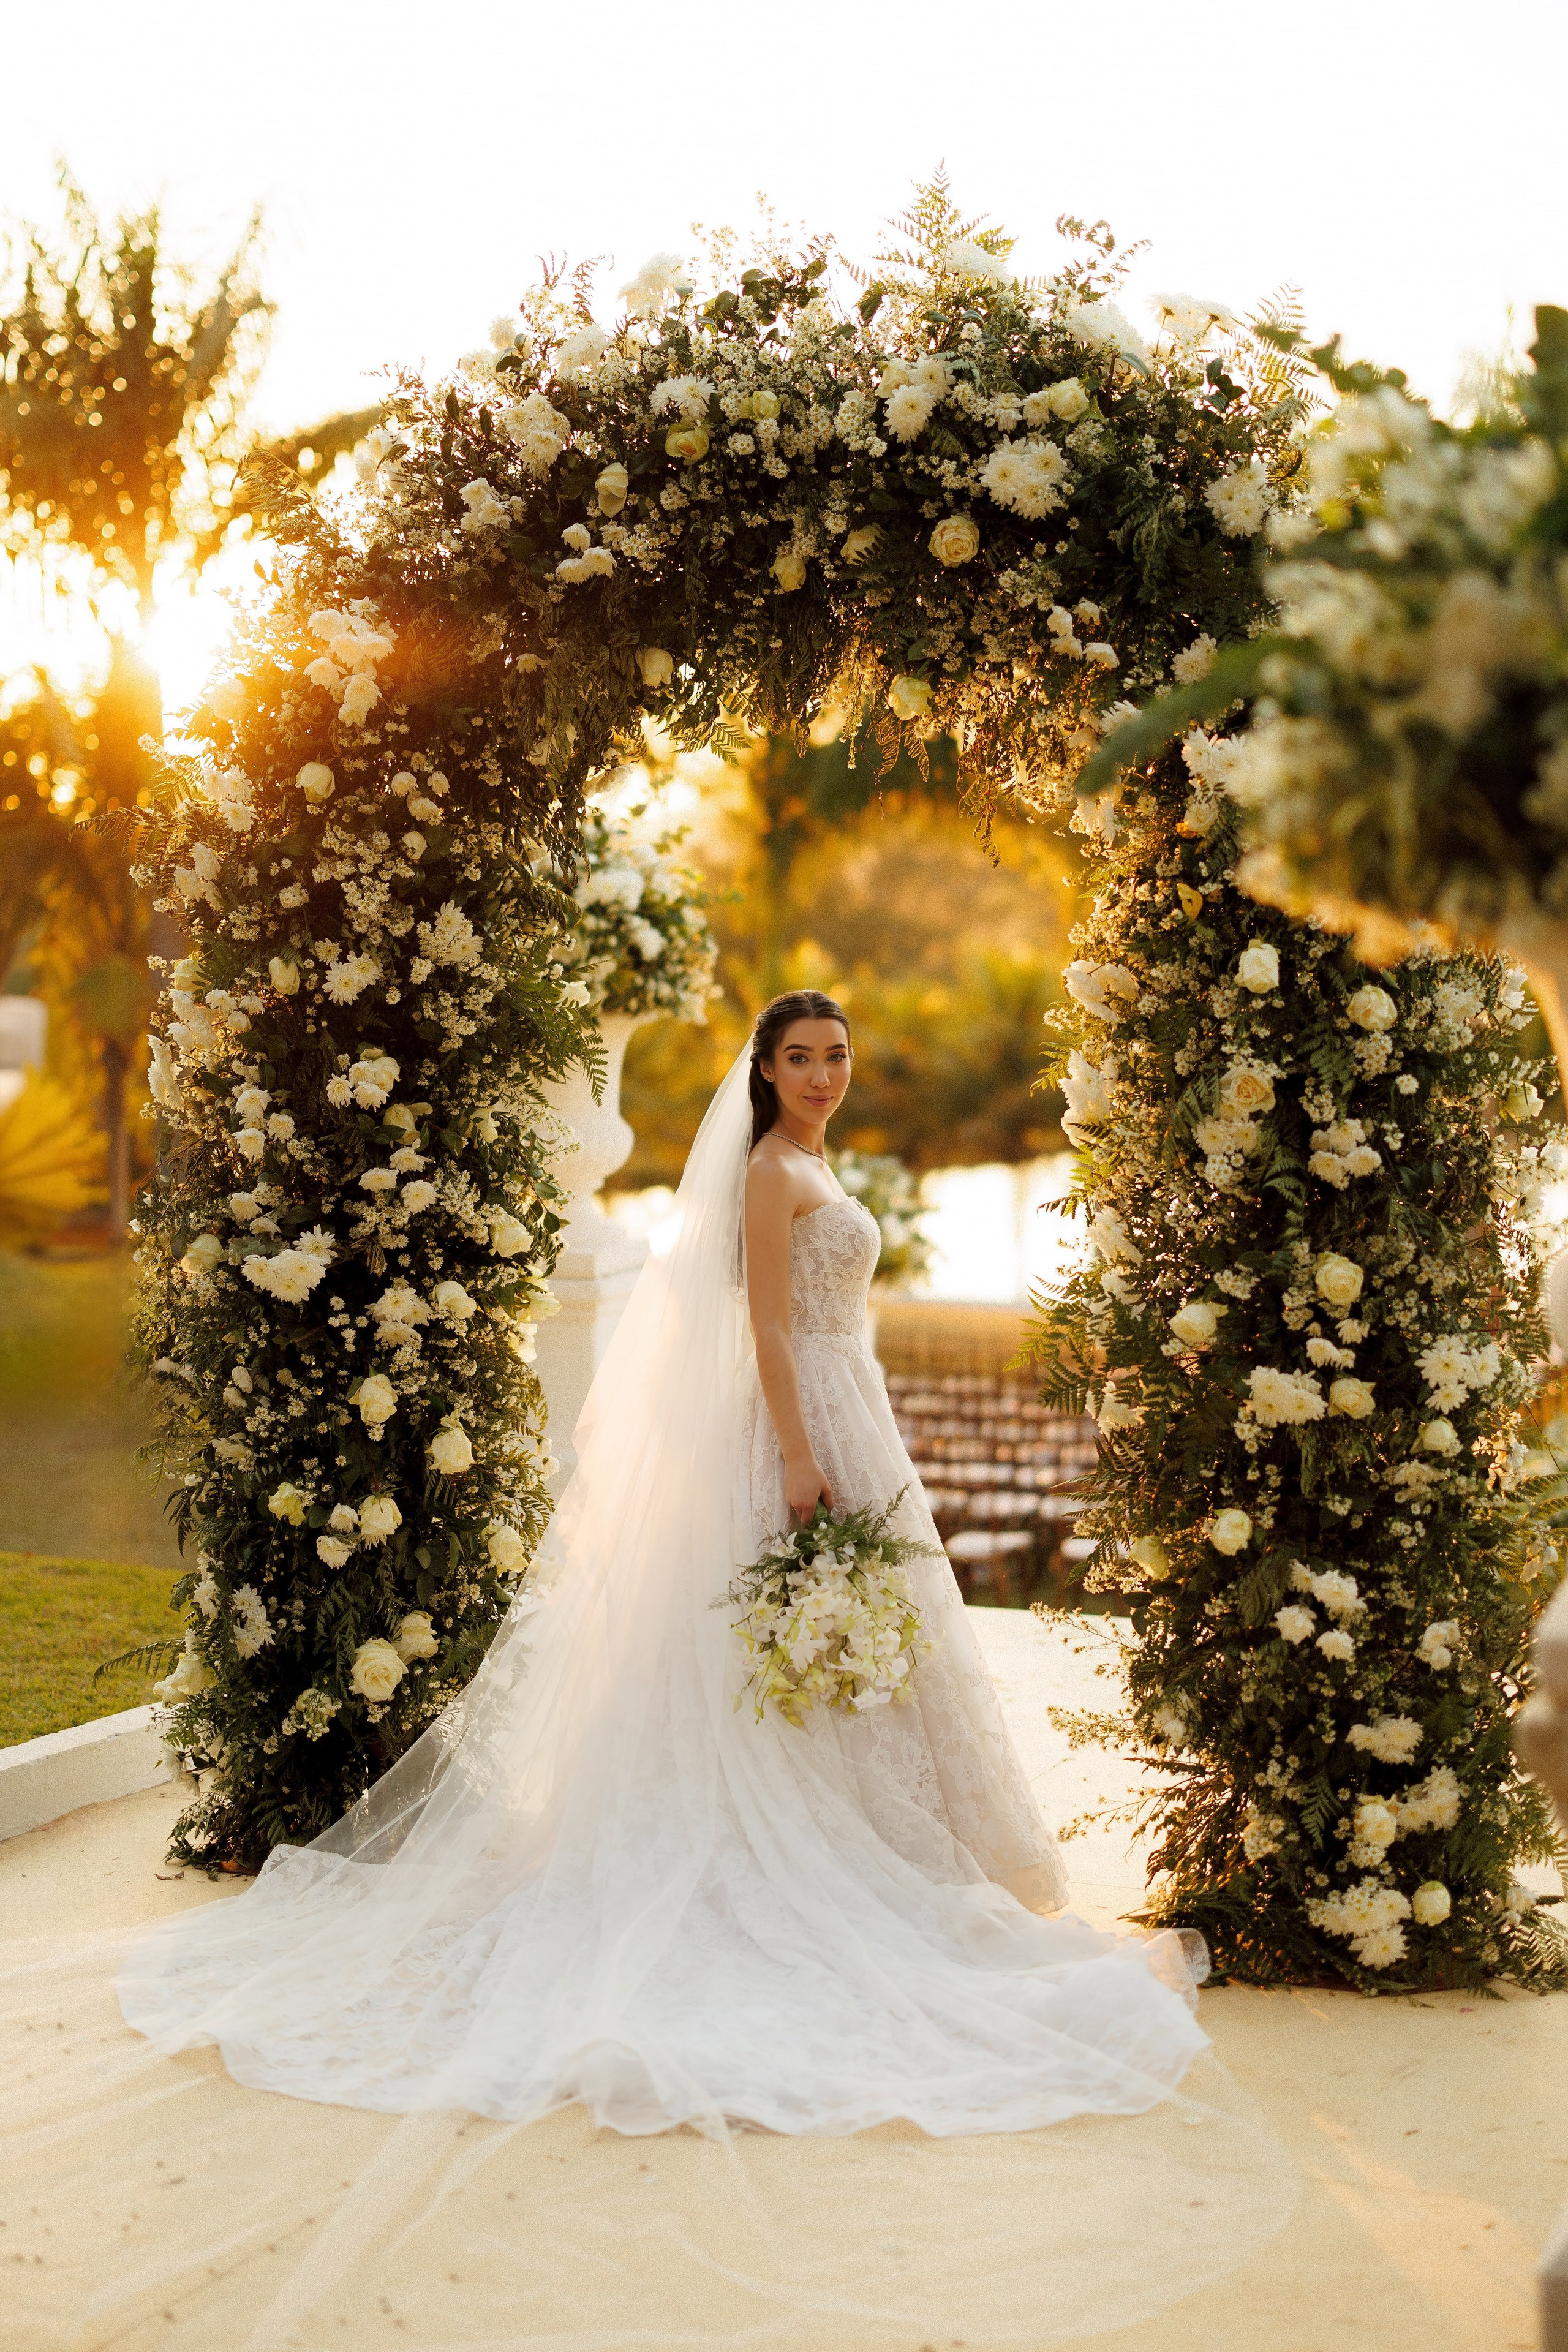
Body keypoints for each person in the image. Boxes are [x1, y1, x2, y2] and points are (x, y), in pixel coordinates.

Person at [116, 990, 1209, 2137]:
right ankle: (795, 1855)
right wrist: (796, 1452)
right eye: (802, 1058)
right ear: (768, 1069)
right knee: (779, 1631)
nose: (825, 1074)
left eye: (838, 1055)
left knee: (857, 1631)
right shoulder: (771, 1175)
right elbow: (771, 1330)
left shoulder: (815, 1163)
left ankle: (892, 1839)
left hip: (852, 1409)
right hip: (800, 1420)